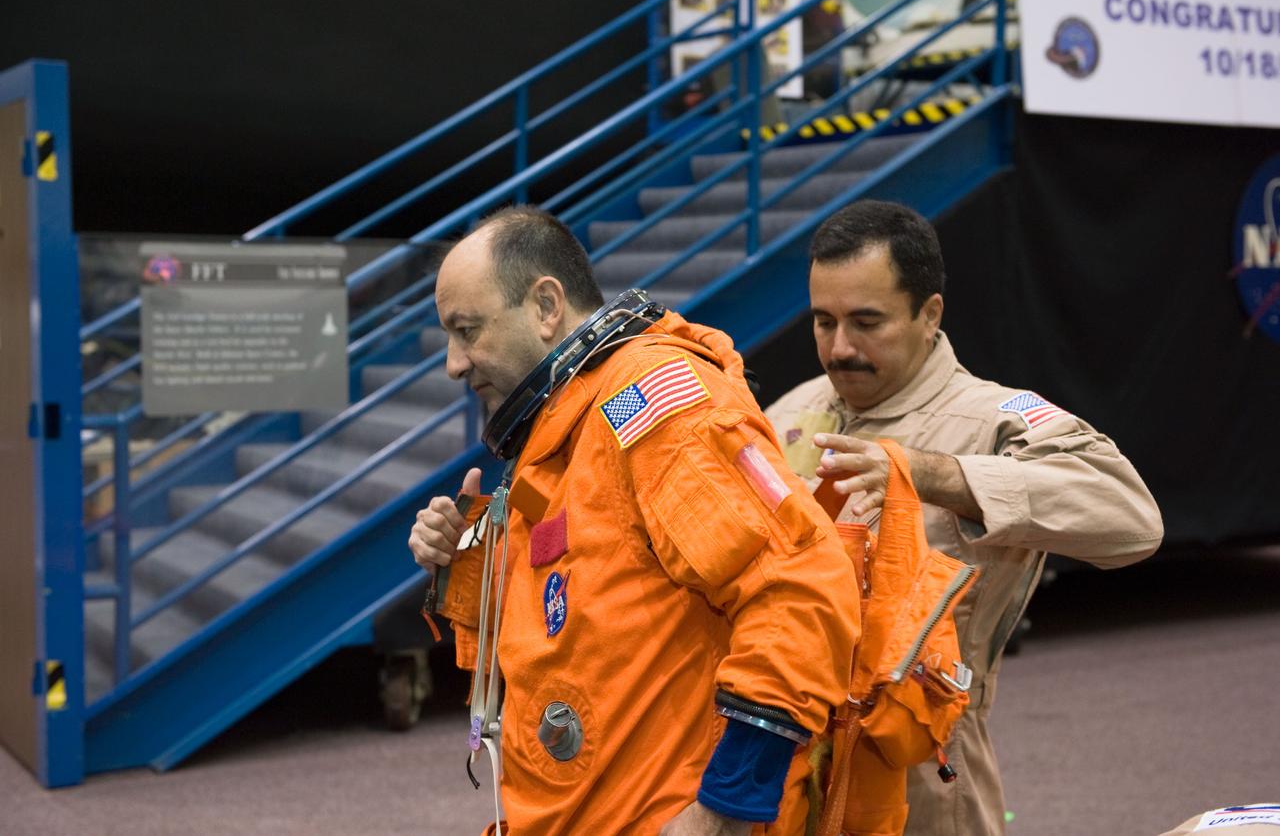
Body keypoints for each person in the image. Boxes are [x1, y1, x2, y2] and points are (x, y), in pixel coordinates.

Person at [407, 206, 860, 835]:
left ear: (546, 306)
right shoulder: (572, 423)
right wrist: (469, 559)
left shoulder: (648, 405)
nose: (455, 363)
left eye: (467, 330)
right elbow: (584, 608)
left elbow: (799, 588)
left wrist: (724, 811)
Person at [765, 199, 1164, 836]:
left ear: (930, 315)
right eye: (823, 321)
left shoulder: (992, 419)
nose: (839, 348)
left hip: (922, 770)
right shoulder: (788, 413)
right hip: (784, 770)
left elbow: (1132, 518)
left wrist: (931, 475)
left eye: (866, 322)